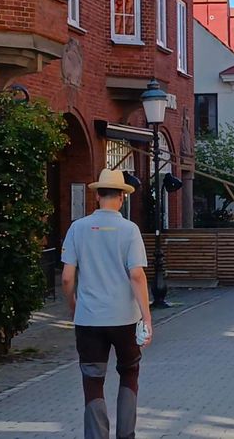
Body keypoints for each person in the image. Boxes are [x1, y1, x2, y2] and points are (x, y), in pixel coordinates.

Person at [61, 168, 152, 439]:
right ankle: (126, 434)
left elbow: (67, 278)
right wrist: (146, 318)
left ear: (98, 195)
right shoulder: (130, 230)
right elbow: (136, 275)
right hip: (125, 318)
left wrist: (74, 305)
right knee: (129, 373)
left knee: (92, 381)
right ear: (122, 197)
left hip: (89, 319)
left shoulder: (77, 228)